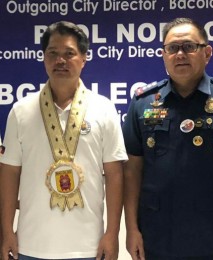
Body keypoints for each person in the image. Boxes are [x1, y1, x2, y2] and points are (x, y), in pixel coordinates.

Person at [122, 17, 213, 260]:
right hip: (157, 238)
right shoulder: (143, 103)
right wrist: (132, 229)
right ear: (163, 54)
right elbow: (132, 170)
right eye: (172, 48)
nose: (180, 54)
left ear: (207, 52)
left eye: (189, 47)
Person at [0, 21, 127, 260]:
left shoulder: (104, 109)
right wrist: (6, 231)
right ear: (44, 58)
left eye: (69, 53)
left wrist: (112, 234)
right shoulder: (20, 110)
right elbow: (9, 173)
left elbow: (114, 175)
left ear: (83, 58)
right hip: (30, 245)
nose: (61, 61)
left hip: (88, 246)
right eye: (53, 53)